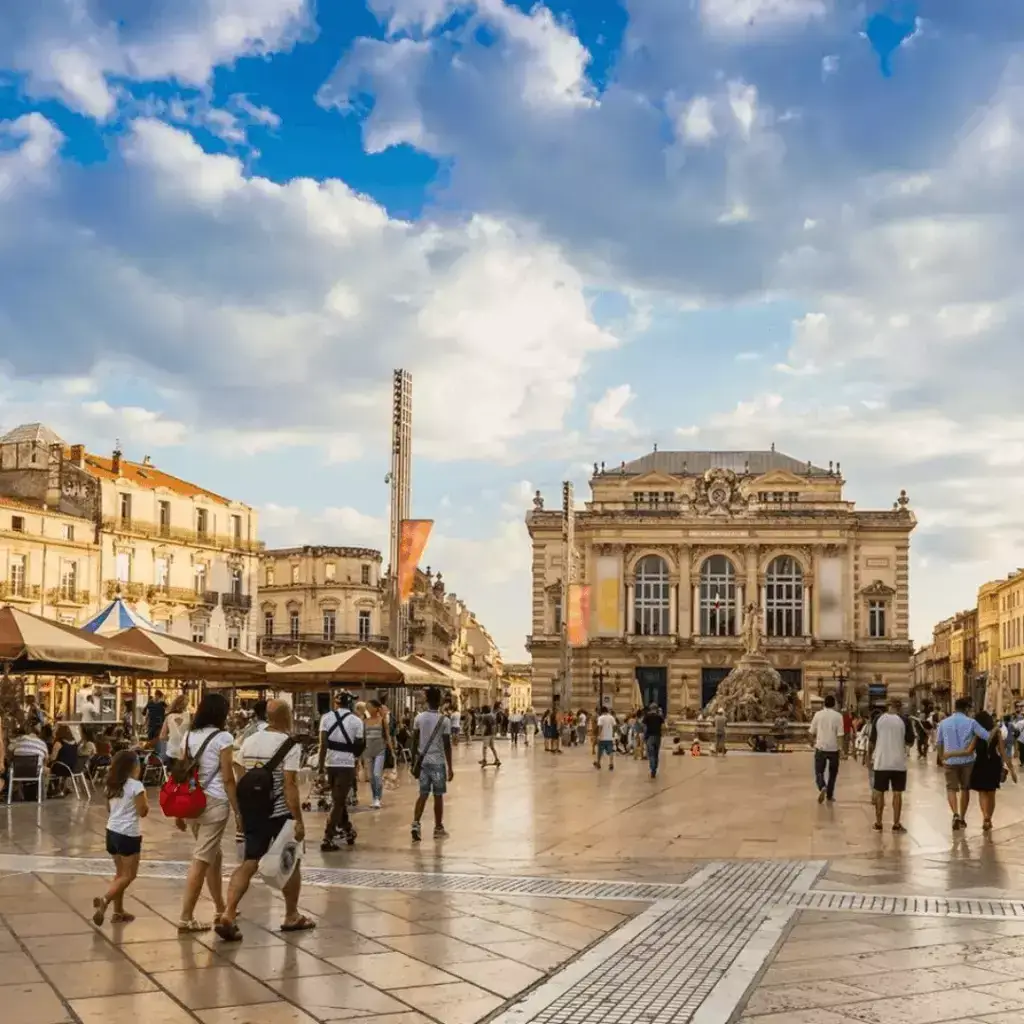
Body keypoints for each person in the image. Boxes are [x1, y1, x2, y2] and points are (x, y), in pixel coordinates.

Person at [217, 700, 313, 941]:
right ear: (286, 717)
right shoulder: (289, 744)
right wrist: (298, 820)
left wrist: (241, 812)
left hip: (254, 811)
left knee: (249, 862)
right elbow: (290, 785)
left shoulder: (249, 741)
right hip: (279, 812)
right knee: (292, 862)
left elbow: (240, 776)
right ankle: (291, 915)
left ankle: (228, 913)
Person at [176, 692, 240, 933]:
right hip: (214, 802)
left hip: (192, 801)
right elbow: (227, 778)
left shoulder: (188, 736)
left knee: (214, 855)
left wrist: (179, 812)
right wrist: (237, 810)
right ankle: (186, 917)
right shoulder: (223, 737)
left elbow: (181, 774)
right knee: (201, 859)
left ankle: (220, 906)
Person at [93, 750, 148, 926]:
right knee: (129, 875)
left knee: (119, 874)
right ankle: (105, 900)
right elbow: (143, 811)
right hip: (128, 834)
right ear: (133, 767)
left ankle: (118, 911)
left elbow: (109, 809)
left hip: (111, 832)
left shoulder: (111, 785)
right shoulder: (136, 786)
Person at [317, 691, 365, 851]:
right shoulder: (357, 721)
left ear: (336, 703)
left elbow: (322, 745)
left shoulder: (326, 718)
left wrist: (320, 768)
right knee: (338, 801)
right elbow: (359, 746)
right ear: (350, 704)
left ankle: (348, 830)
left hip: (330, 763)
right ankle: (328, 837)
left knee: (338, 799)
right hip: (347, 765)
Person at [936, 697, 991, 831]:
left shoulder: (943, 723)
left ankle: (955, 813)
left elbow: (939, 743)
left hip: (949, 760)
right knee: (965, 789)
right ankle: (962, 818)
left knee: (951, 789)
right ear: (966, 708)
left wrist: (942, 757)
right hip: (967, 762)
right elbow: (987, 736)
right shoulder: (971, 722)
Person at [411, 686, 454, 841]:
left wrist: (413, 762)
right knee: (438, 795)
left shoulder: (419, 718)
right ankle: (438, 827)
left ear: (427, 700)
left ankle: (416, 824)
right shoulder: (445, 720)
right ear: (440, 700)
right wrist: (450, 767)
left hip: (423, 762)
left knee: (422, 794)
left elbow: (414, 741)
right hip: (438, 762)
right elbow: (447, 745)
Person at [869, 697, 915, 833]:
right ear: (899, 707)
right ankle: (896, 823)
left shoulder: (878, 719)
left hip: (881, 761)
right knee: (897, 793)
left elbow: (872, 741)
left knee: (879, 792)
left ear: (887, 706)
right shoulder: (905, 720)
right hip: (898, 762)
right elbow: (910, 742)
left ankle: (878, 822)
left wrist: (868, 758)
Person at [969, 709, 1017, 831]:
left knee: (982, 793)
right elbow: (1002, 752)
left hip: (980, 764)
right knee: (991, 793)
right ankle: (989, 818)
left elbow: (970, 750)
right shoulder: (997, 732)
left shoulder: (976, 733)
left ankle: (985, 816)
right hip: (993, 764)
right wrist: (1011, 769)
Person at [808, 695, 844, 803]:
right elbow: (840, 735)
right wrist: (841, 749)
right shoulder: (838, 716)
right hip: (833, 749)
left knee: (819, 771)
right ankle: (829, 795)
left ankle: (822, 786)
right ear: (834, 704)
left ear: (824, 704)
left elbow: (811, 732)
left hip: (820, 747)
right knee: (833, 773)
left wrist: (811, 742)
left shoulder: (818, 715)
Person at [363, 699, 392, 810]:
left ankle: (377, 798)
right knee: (370, 777)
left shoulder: (382, 720)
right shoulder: (365, 721)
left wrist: (392, 751)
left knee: (377, 775)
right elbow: (363, 738)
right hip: (367, 751)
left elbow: (387, 736)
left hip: (380, 750)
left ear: (376, 708)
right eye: (367, 707)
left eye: (370, 707)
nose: (368, 709)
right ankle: (374, 796)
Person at [49, 724, 79, 796]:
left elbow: (53, 758)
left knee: (46, 768)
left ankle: (54, 789)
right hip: (72, 768)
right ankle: (62, 787)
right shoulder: (75, 743)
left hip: (61, 768)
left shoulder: (59, 743)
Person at [161, 694, 191, 763]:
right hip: (185, 751)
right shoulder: (190, 717)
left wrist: (172, 737)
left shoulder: (169, 717)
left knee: (172, 772)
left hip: (172, 750)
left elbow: (162, 736)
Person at [643, 703, 665, 779]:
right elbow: (663, 727)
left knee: (651, 754)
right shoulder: (660, 717)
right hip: (658, 737)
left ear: (650, 708)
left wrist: (644, 736)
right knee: (656, 754)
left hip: (650, 737)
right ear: (656, 709)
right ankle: (655, 768)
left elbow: (645, 728)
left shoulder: (647, 717)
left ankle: (652, 769)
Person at [143, 691, 168, 756]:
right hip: (152, 724)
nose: (157, 698)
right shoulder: (150, 703)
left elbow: (168, 711)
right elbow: (146, 714)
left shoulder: (163, 704)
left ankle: (157, 754)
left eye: (159, 697)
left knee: (158, 739)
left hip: (159, 725)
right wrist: (145, 724)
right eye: (157, 696)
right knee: (151, 739)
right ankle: (151, 755)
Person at [594, 706, 617, 771]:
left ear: (601, 711)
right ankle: (611, 764)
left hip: (602, 738)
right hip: (609, 737)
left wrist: (599, 736)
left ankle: (598, 763)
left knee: (600, 751)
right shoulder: (611, 717)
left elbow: (600, 727)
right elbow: (615, 726)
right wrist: (612, 734)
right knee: (610, 751)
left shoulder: (601, 718)